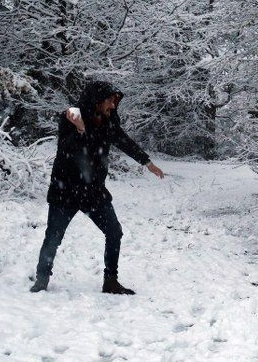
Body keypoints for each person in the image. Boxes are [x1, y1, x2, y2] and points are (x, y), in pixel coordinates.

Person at [29, 79, 164, 295]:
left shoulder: (109, 122)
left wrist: (147, 162)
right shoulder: (72, 117)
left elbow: (124, 141)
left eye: (114, 101)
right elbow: (64, 148)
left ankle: (110, 281)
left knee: (114, 232)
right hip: (65, 190)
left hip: (93, 192)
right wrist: (80, 130)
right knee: (53, 236)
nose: (113, 105)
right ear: (96, 101)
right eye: (109, 101)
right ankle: (42, 279)